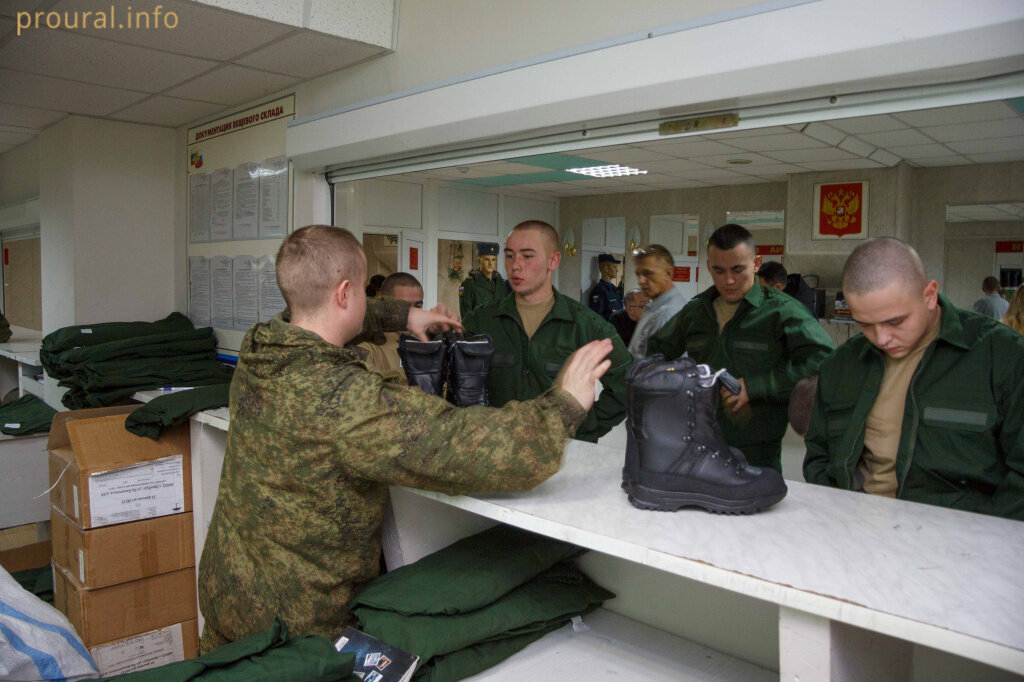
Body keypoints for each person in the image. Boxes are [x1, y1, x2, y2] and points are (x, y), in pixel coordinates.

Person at [197, 225, 613, 651]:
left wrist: (403, 316)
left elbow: (320, 311)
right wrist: (564, 405)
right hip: (293, 635)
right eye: (361, 289)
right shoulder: (347, 400)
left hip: (226, 599)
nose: (364, 297)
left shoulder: (261, 346)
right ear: (344, 294)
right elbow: (471, 447)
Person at [804, 238, 1024, 520]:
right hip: (856, 531)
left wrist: (980, 535)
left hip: (960, 542)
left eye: (895, 321)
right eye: (865, 324)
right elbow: (819, 456)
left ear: (929, 294)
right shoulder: (842, 364)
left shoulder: (1001, 356)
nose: (881, 338)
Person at [648, 224, 834, 472]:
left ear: (756, 263)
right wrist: (678, 383)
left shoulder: (781, 311)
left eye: (738, 269)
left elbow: (826, 362)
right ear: (709, 267)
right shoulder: (696, 311)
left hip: (756, 450)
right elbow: (657, 353)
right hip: (699, 442)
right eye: (719, 271)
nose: (729, 280)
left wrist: (756, 386)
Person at [463, 220, 632, 443]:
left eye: (527, 256)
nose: (515, 265)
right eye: (510, 255)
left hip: (563, 456)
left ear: (553, 260)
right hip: (498, 454)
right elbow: (460, 388)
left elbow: (628, 386)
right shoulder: (480, 321)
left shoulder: (586, 325)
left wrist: (585, 426)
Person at [357, 272, 424, 383]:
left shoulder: (422, 344)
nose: (412, 313)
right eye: (402, 306)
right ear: (385, 305)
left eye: (417, 306)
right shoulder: (368, 350)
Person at [627, 244, 688, 358]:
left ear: (668, 274)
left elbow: (659, 371)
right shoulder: (656, 308)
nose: (641, 280)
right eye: (638, 274)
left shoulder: (666, 314)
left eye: (648, 273)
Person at [459, 242, 508, 317]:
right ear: (479, 260)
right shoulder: (468, 284)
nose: (490, 263)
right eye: (487, 259)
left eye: (493, 259)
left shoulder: (501, 283)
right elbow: (466, 317)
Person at [588, 253, 624, 321]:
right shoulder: (599, 291)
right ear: (606, 269)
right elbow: (597, 317)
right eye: (614, 267)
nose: (617, 270)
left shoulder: (613, 288)